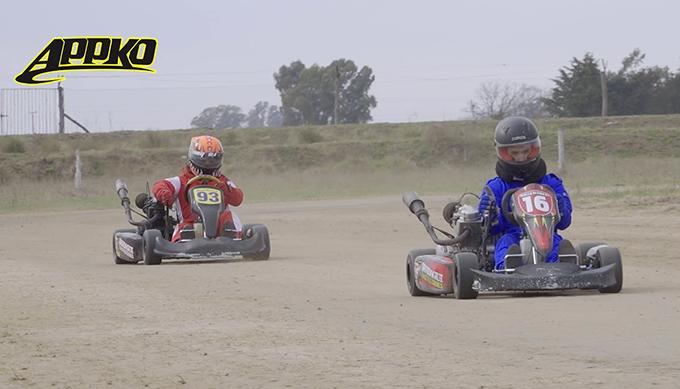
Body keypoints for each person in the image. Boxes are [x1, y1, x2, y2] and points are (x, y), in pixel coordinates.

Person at [478, 116, 572, 270]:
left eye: (526, 151)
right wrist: (488, 215)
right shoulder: (496, 187)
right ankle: (509, 268)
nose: (521, 157)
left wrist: (562, 209)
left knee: (557, 243)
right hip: (512, 234)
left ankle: (565, 267)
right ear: (503, 153)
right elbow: (489, 231)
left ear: (535, 148)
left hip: (545, 235)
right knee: (506, 245)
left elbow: (565, 223)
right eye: (514, 153)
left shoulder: (551, 183)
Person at [151, 135, 244, 242]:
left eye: (213, 160)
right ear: (194, 157)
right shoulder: (181, 181)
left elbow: (238, 199)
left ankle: (230, 236)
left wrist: (227, 191)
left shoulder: (223, 181)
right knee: (188, 227)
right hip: (190, 223)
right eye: (204, 160)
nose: (208, 163)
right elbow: (160, 184)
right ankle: (186, 240)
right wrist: (164, 193)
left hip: (219, 227)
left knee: (229, 216)